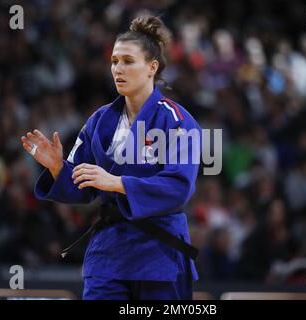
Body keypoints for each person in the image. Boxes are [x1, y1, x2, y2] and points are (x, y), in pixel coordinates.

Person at [21, 15, 201, 300]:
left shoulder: (176, 120)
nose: (118, 69)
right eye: (114, 61)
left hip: (160, 253)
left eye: (128, 61)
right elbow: (85, 186)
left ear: (152, 68)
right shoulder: (100, 120)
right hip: (109, 252)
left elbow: (179, 187)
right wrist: (58, 169)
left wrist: (118, 183)